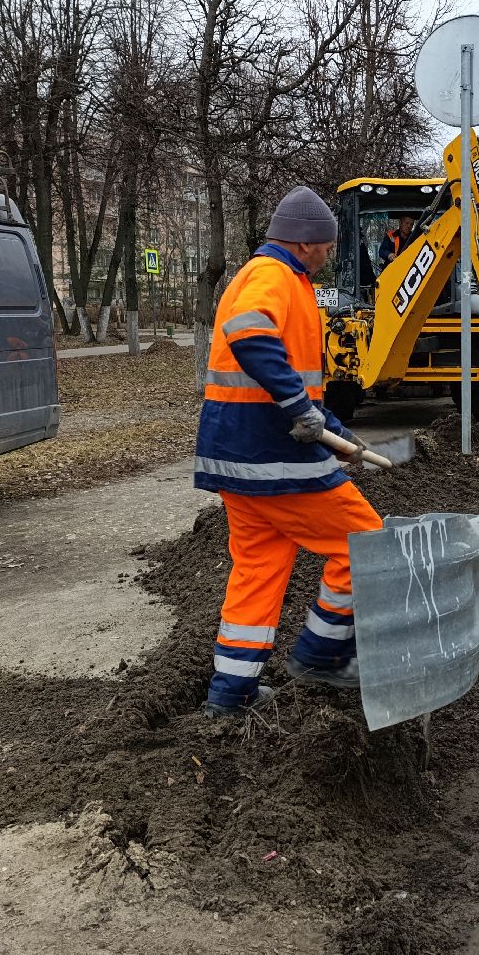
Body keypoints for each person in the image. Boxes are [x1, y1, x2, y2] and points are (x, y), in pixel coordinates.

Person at [194, 185, 380, 716]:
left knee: (259, 571)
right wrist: (300, 409)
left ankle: (230, 695)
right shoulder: (271, 276)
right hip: (273, 460)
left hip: (240, 459)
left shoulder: (280, 280)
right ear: (304, 242)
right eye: (326, 245)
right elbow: (248, 335)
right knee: (363, 545)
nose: (328, 255)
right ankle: (321, 655)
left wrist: (334, 430)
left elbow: (298, 382)